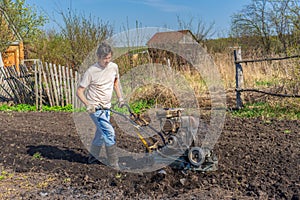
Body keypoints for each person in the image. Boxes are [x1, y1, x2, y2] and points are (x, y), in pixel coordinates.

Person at [77, 42, 124, 170]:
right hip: (96, 108)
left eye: (109, 57)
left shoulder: (114, 67)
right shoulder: (91, 71)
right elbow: (79, 91)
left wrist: (120, 98)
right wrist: (88, 105)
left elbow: (115, 83)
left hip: (107, 107)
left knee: (101, 134)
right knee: (109, 132)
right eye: (105, 58)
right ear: (98, 56)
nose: (107, 61)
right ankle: (114, 163)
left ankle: (92, 158)